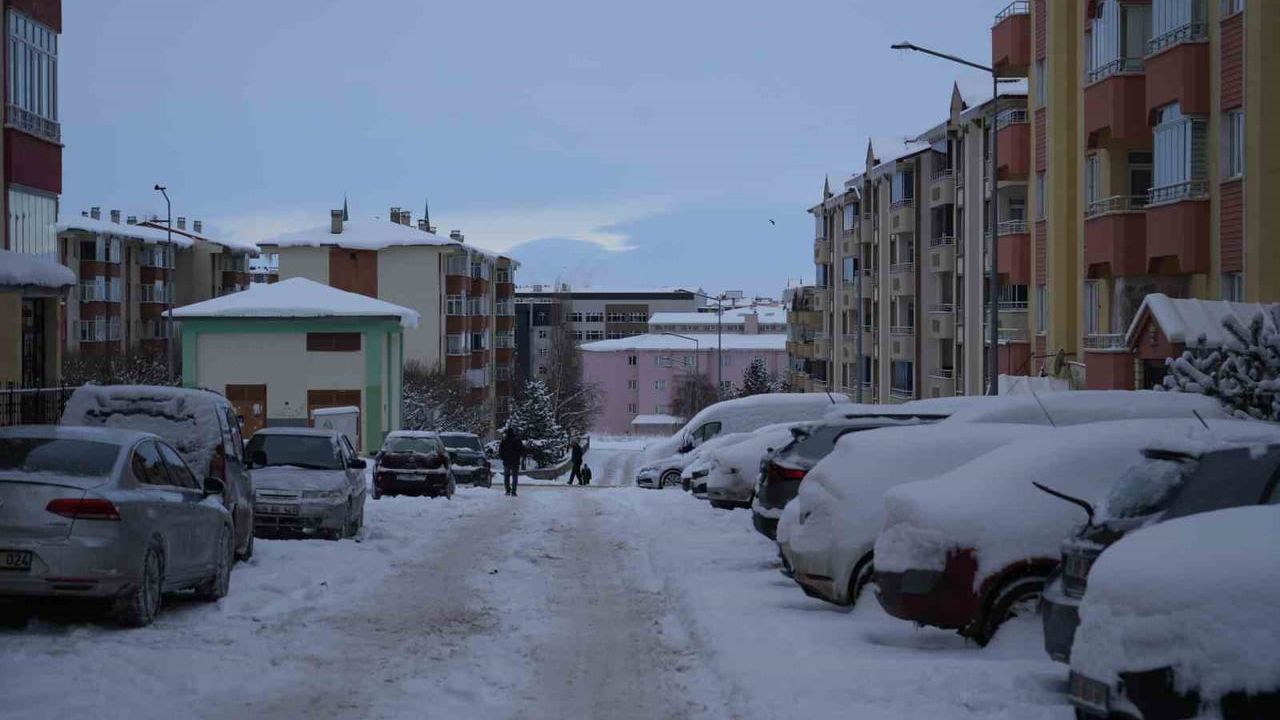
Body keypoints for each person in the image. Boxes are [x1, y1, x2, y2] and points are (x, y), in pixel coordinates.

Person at [499, 427, 524, 497]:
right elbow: (521, 450)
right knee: (515, 477)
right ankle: (513, 491)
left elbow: (501, 451)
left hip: (506, 461)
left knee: (506, 476)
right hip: (515, 462)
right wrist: (519, 456)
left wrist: (503, 458)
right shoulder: (517, 440)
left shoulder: (504, 441)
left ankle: (507, 490)